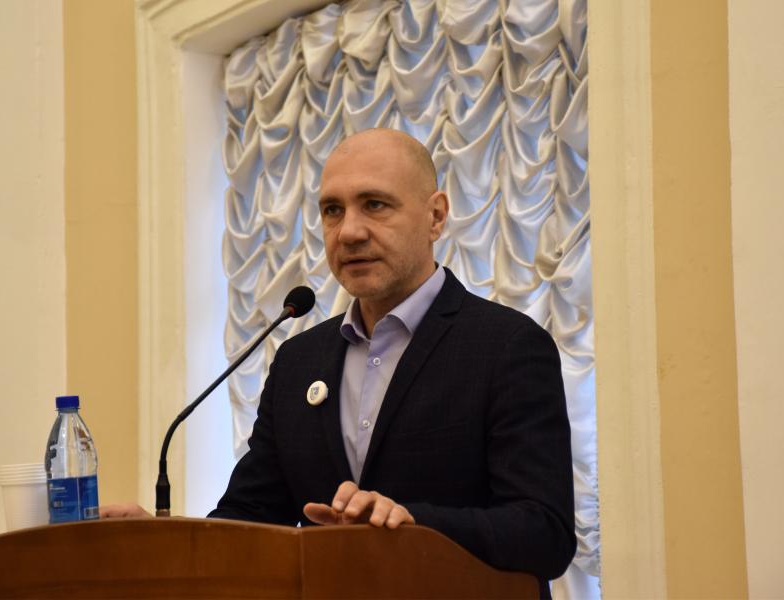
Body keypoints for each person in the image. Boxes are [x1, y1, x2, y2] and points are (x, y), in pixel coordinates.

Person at [104, 128, 575, 593]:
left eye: (375, 204)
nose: (348, 232)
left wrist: (414, 524)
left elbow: (544, 532)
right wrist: (164, 541)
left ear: (435, 217)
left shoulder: (507, 346)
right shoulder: (298, 362)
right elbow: (250, 518)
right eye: (332, 210)